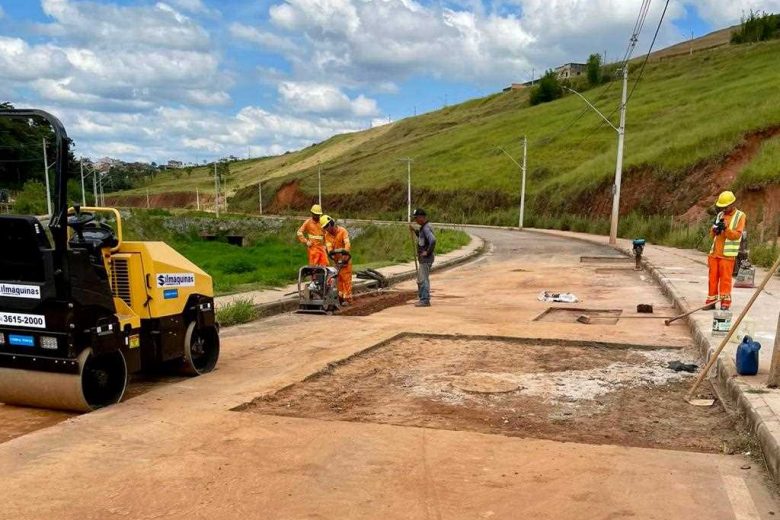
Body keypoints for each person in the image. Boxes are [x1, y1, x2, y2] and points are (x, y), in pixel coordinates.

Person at [706, 191, 746, 311]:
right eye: (722, 207)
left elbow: (737, 235)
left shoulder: (740, 216)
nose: (724, 209)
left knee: (725, 280)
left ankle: (725, 303)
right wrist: (715, 230)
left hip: (727, 255)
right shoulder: (720, 215)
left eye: (726, 206)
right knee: (712, 279)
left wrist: (726, 229)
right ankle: (711, 301)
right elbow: (711, 235)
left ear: (732, 204)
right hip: (714, 253)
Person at [320, 215, 352, 304]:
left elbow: (347, 244)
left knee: (346, 280)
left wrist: (345, 253)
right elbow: (329, 247)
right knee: (338, 280)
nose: (326, 229)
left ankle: (348, 299)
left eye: (327, 226)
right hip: (336, 261)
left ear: (331, 223)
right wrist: (331, 253)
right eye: (324, 228)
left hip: (345, 259)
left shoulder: (342, 231)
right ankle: (340, 298)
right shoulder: (327, 235)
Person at [410, 208, 436, 307]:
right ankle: (423, 298)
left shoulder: (426, 228)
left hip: (426, 259)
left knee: (423, 279)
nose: (415, 220)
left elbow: (433, 240)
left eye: (416, 218)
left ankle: (425, 300)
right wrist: (414, 231)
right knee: (422, 278)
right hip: (424, 259)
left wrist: (427, 252)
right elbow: (422, 238)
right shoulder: (423, 228)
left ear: (421, 217)